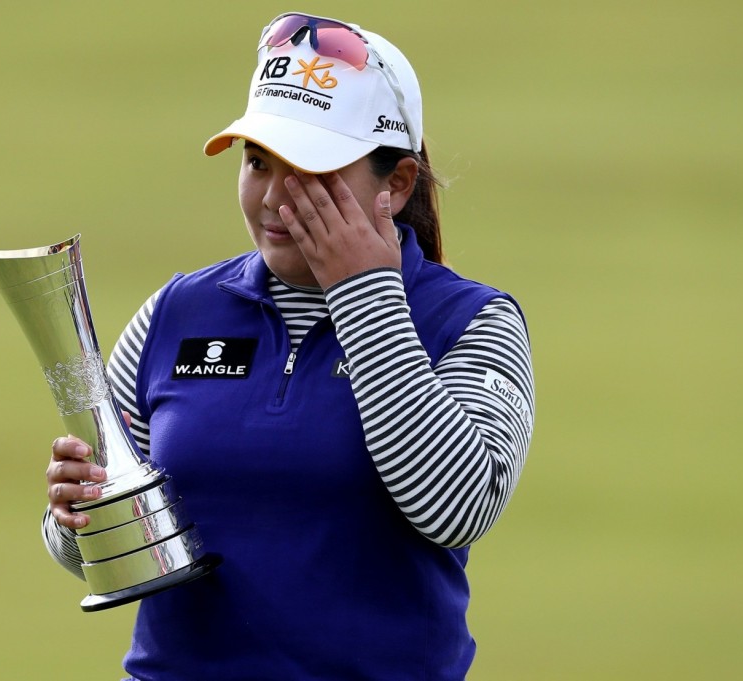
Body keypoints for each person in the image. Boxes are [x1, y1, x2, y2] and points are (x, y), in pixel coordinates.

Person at [43, 12, 534, 681]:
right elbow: (123, 549)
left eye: (311, 168)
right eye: (257, 162)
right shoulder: (177, 312)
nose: (275, 197)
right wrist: (79, 517)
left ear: (396, 183)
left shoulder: (469, 321)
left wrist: (365, 295)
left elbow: (454, 505)